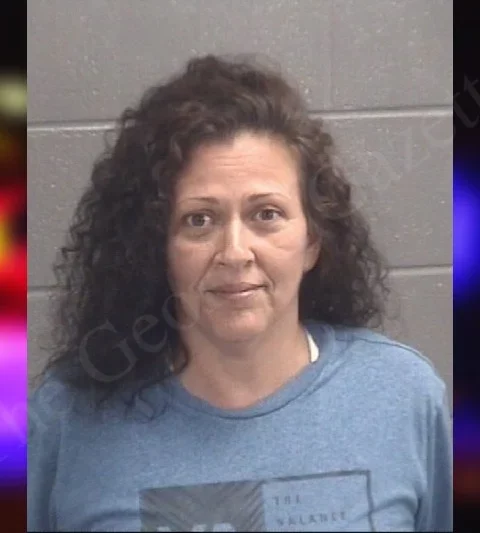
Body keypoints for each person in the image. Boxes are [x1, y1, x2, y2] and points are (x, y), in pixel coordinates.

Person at [28, 54, 452, 532]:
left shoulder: (402, 396)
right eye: (199, 220)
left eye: (266, 214)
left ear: (313, 240)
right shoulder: (68, 418)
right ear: (157, 247)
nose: (234, 252)